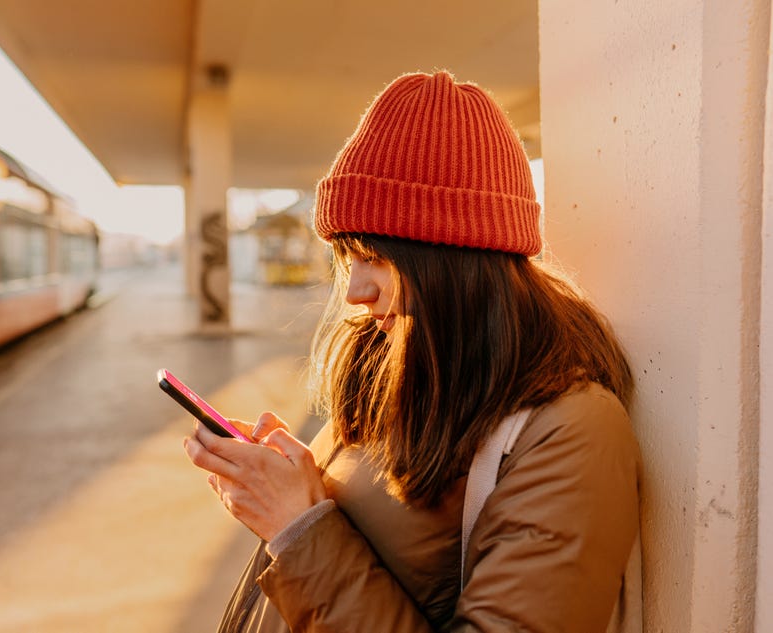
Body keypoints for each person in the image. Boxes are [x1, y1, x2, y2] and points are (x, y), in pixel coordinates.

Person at [183, 70, 642, 632]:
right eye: (349, 259)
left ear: (454, 257)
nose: (355, 291)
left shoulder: (570, 431)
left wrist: (298, 529)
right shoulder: (394, 360)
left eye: (375, 257)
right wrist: (296, 481)